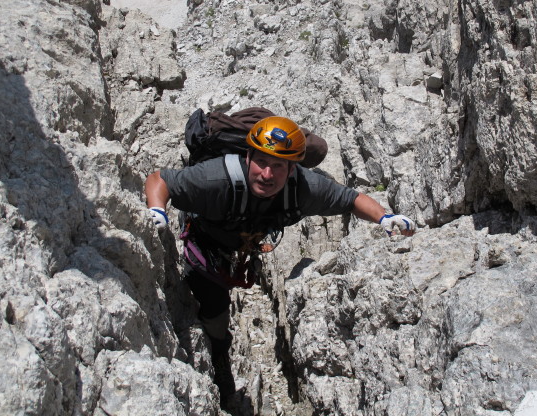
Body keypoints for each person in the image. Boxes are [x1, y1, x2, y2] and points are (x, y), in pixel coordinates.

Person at [144, 115, 415, 405]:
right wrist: (157, 209)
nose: (267, 174)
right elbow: (160, 180)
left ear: (291, 168)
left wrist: (384, 217)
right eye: (261, 161)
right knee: (215, 307)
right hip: (208, 242)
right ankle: (220, 352)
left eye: (278, 166)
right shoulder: (216, 179)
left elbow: (350, 199)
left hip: (243, 241)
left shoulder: (303, 189)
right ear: (248, 157)